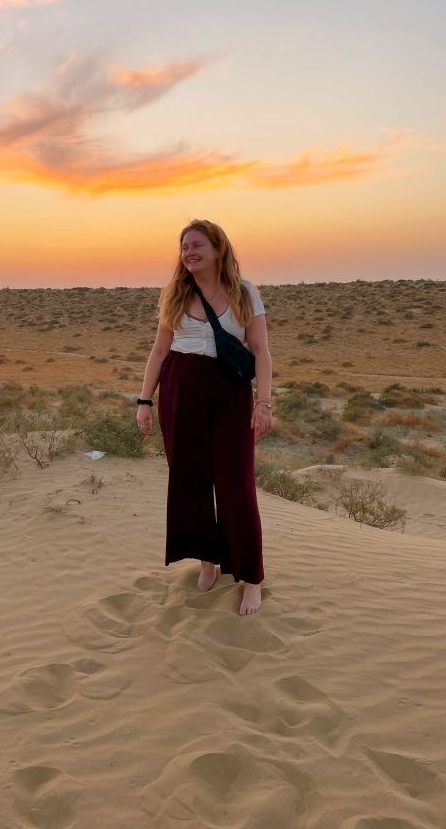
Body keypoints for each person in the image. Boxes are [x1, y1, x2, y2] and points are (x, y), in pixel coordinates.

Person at [136, 219, 273, 616]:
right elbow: (159, 352)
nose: (189, 252)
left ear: (218, 250)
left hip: (230, 396)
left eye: (197, 245)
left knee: (237, 486)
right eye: (183, 247)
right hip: (180, 394)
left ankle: (251, 579)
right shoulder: (175, 293)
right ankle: (207, 562)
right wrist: (144, 402)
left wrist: (263, 404)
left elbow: (261, 352)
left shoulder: (244, 292)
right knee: (189, 481)